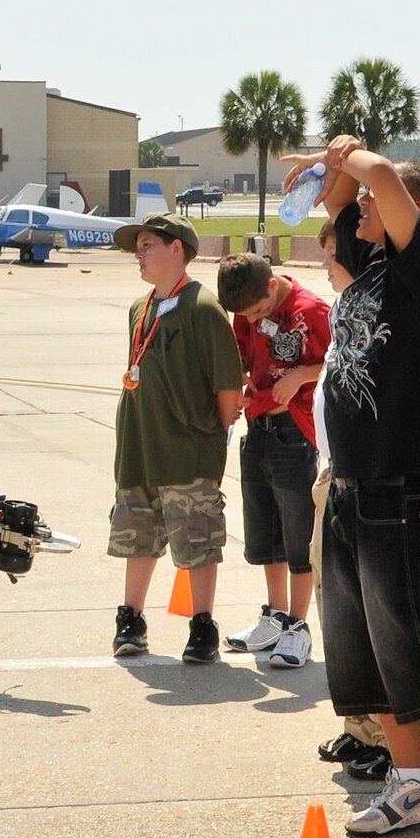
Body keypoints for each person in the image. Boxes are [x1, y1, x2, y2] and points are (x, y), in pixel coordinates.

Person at [282, 136, 420, 835]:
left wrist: (351, 152)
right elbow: (342, 204)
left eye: (368, 204)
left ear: (408, 212)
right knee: (369, 655)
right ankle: (416, 779)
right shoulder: (372, 262)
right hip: (354, 484)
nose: (354, 211)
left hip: (400, 486)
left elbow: (381, 176)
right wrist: (333, 176)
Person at [108, 212, 243, 663]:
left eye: (147, 246)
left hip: (187, 452)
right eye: (137, 247)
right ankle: (131, 618)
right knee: (136, 535)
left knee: (198, 540)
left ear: (177, 250)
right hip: (140, 447)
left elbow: (228, 387)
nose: (138, 255)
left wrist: (211, 436)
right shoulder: (139, 308)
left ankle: (202, 625)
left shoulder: (203, 308)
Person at [217, 252, 330, 667]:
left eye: (260, 310)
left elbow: (342, 360)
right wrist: (243, 383)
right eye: (246, 315)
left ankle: (298, 627)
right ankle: (276, 614)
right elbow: (244, 356)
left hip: (293, 434)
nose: (253, 318)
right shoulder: (246, 311)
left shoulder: (311, 310)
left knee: (298, 532)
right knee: (266, 533)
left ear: (271, 286)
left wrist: (303, 374)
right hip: (258, 428)